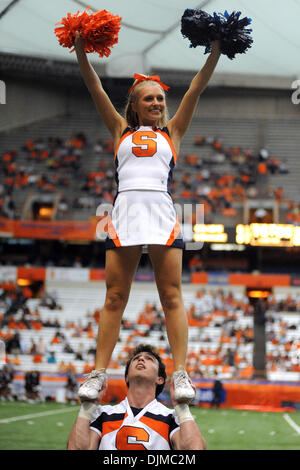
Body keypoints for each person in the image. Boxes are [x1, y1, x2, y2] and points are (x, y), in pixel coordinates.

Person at [74, 30, 221, 404]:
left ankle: (181, 374)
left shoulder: (173, 132)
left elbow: (195, 90)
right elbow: (95, 90)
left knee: (171, 295)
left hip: (161, 213)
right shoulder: (118, 130)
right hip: (123, 214)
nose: (157, 102)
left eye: (159, 98)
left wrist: (215, 52)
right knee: (115, 297)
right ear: (136, 105)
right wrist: (80, 51)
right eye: (149, 99)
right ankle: (98, 374)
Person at [67, 344, 206, 450]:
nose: (141, 358)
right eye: (136, 358)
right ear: (126, 377)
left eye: (149, 359)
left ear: (160, 379)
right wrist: (87, 406)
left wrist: (182, 407)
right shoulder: (103, 414)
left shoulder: (171, 417)